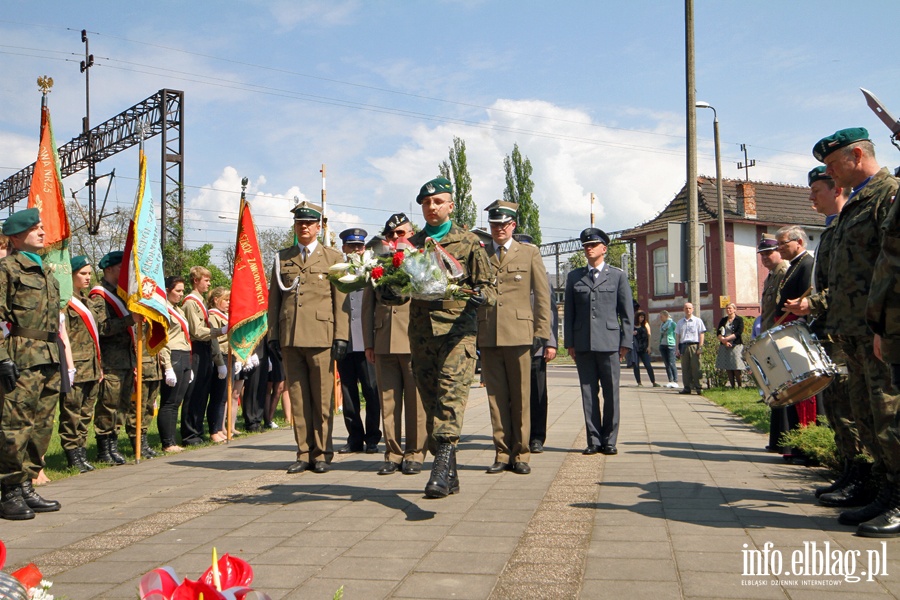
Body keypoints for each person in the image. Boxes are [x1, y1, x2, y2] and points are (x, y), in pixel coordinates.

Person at [808, 128, 900, 537]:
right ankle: (881, 490)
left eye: (832, 164)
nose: (829, 173)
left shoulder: (887, 195)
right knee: (867, 417)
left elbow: (892, 268)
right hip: (851, 333)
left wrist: (884, 327)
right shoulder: (854, 205)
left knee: (888, 415)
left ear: (857, 154)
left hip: (877, 333)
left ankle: (897, 499)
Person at [406, 177, 496, 497]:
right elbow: (395, 293)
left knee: (450, 399)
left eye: (438, 202)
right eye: (426, 203)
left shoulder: (469, 242)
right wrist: (385, 283)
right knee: (432, 406)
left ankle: (439, 475)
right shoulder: (411, 246)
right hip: (422, 335)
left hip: (458, 331)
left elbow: (490, 287)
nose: (432, 207)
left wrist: (481, 298)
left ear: (450, 206)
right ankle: (452, 476)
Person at [785, 166, 863, 505]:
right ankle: (849, 471)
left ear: (837, 190)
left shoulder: (848, 226)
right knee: (836, 408)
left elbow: (850, 283)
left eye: (817, 189)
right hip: (831, 332)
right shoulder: (831, 230)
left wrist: (812, 302)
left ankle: (863, 478)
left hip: (847, 333)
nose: (811, 196)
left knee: (851, 409)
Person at [268, 200, 350, 475]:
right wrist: (273, 336)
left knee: (323, 399)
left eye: (308, 223)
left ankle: (323, 453)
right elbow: (274, 301)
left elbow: (341, 301)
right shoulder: (282, 258)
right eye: (299, 223)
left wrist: (341, 336)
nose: (303, 227)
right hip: (290, 337)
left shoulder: (333, 258)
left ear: (318, 227)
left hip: (321, 337)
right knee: (299, 398)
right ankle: (303, 452)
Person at [478, 201, 551, 475]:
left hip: (521, 335)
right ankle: (501, 452)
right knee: (496, 398)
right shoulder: (482, 254)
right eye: (494, 225)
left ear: (513, 226)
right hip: (489, 335)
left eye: (503, 224)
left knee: (521, 398)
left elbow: (542, 296)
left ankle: (521, 454)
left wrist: (542, 332)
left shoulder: (529, 253)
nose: (498, 229)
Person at [0, 208, 62, 520]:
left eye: (40, 226)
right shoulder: (7, 269)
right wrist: (2, 358)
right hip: (21, 355)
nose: (41, 231)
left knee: (41, 426)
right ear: (15, 236)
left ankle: (26, 482)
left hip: (48, 355)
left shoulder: (46, 272)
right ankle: (9, 490)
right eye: (34, 228)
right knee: (15, 427)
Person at [363, 212, 428, 475]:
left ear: (411, 234)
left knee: (415, 401)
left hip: (413, 340)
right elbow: (369, 305)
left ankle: (415, 453)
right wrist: (369, 342)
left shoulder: (422, 262)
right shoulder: (378, 264)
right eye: (391, 235)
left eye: (400, 233)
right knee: (388, 401)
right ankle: (392, 453)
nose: (395, 239)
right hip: (384, 339)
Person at [564, 227, 633, 456]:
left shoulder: (618, 276)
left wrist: (625, 342)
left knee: (611, 392)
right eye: (585, 246)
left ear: (604, 248)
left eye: (593, 245)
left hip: (610, 343)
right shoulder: (575, 277)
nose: (588, 249)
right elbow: (570, 313)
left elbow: (626, 313)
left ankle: (610, 439)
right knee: (588, 393)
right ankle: (593, 440)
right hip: (583, 344)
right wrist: (570, 343)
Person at [337, 228, 382, 455]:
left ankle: (373, 437)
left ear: (364, 248)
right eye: (351, 246)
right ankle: (354, 437)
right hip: (344, 339)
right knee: (347, 391)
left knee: (371, 390)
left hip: (367, 340)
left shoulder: (373, 270)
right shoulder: (337, 272)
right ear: (344, 248)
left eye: (359, 246)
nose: (355, 250)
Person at [513, 233, 558, 455]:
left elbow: (549, 311)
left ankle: (537, 436)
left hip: (536, 344)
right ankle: (517, 435)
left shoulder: (541, 276)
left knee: (538, 393)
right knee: (514, 393)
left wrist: (550, 342)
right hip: (512, 342)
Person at [90, 250, 137, 465]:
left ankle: (113, 445)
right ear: (109, 269)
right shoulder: (100, 296)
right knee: (108, 405)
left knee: (121, 406)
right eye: (121, 268)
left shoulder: (121, 294)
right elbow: (102, 327)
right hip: (111, 361)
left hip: (126, 359)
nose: (126, 273)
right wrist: (129, 320)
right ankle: (102, 449)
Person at [58, 255, 101, 472]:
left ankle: (82, 451)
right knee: (71, 412)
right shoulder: (65, 302)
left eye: (89, 274)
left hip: (92, 364)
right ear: (71, 275)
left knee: (86, 412)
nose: (87, 278)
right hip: (75, 364)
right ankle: (72, 454)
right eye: (82, 274)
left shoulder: (87, 302)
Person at [181, 266, 223, 446]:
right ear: (196, 280)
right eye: (205, 280)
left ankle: (198, 429)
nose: (209, 283)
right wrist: (219, 331)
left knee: (203, 393)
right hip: (197, 348)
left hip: (205, 349)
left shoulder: (200, 302)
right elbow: (196, 331)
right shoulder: (191, 302)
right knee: (194, 393)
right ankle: (190, 433)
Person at [158, 276, 191, 453]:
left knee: (177, 401)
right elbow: (163, 339)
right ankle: (168, 442)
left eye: (182, 291)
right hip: (173, 355)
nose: (180, 294)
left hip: (185, 355)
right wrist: (168, 366)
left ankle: (172, 439)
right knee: (169, 401)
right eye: (177, 290)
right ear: (168, 290)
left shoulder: (178, 309)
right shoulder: (164, 309)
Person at [206, 287, 230, 443]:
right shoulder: (213, 316)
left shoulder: (225, 315)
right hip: (219, 355)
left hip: (228, 354)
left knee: (223, 396)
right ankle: (214, 429)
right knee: (216, 396)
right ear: (216, 300)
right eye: (225, 300)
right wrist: (220, 362)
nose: (228, 303)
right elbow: (214, 338)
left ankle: (221, 428)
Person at [675, 302, 706, 395]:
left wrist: (700, 347)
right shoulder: (680, 322)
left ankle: (699, 387)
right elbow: (678, 336)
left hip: (694, 346)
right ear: (683, 310)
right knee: (685, 368)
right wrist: (677, 348)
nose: (688, 310)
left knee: (696, 367)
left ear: (693, 309)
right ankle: (687, 387)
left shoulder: (697, 321)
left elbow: (701, 334)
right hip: (684, 346)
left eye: (689, 308)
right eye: (686, 308)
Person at [715, 303, 745, 388]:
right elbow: (718, 332)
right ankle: (732, 386)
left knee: (736, 366)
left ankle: (739, 385)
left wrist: (728, 339)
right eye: (727, 309)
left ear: (734, 309)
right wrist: (724, 341)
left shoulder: (739, 319)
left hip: (736, 345)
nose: (728, 310)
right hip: (725, 345)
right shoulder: (723, 320)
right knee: (728, 366)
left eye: (730, 308)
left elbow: (739, 332)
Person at [631, 310, 658, 388]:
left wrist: (649, 346)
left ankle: (653, 382)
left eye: (643, 317)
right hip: (635, 349)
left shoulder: (645, 325)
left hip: (644, 348)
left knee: (648, 365)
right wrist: (632, 333)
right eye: (640, 317)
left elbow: (649, 335)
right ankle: (639, 382)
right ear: (637, 317)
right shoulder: (632, 326)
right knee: (636, 366)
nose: (642, 319)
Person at [658, 310, 678, 388]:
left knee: (672, 363)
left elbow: (677, 333)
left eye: (661, 316)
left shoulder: (672, 324)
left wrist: (677, 345)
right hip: (663, 345)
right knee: (667, 364)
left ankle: (675, 381)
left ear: (666, 316)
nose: (660, 318)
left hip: (671, 345)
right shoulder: (662, 324)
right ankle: (670, 380)